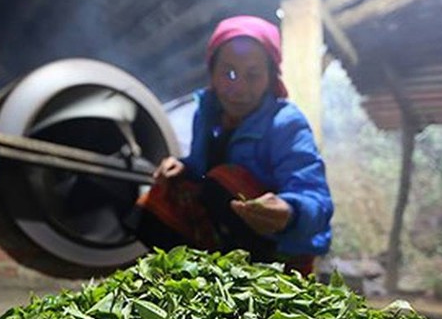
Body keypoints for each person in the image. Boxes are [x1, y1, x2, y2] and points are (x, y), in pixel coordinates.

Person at [128, 15, 333, 274]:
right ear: (212, 73)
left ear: (271, 78)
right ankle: (197, 277)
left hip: (277, 251)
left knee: (224, 179)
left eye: (253, 75)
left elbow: (315, 197)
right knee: (159, 198)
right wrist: (181, 166)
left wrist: (289, 211)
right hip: (226, 235)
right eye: (229, 73)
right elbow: (202, 166)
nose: (238, 88)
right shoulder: (207, 112)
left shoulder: (286, 124)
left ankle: (250, 279)